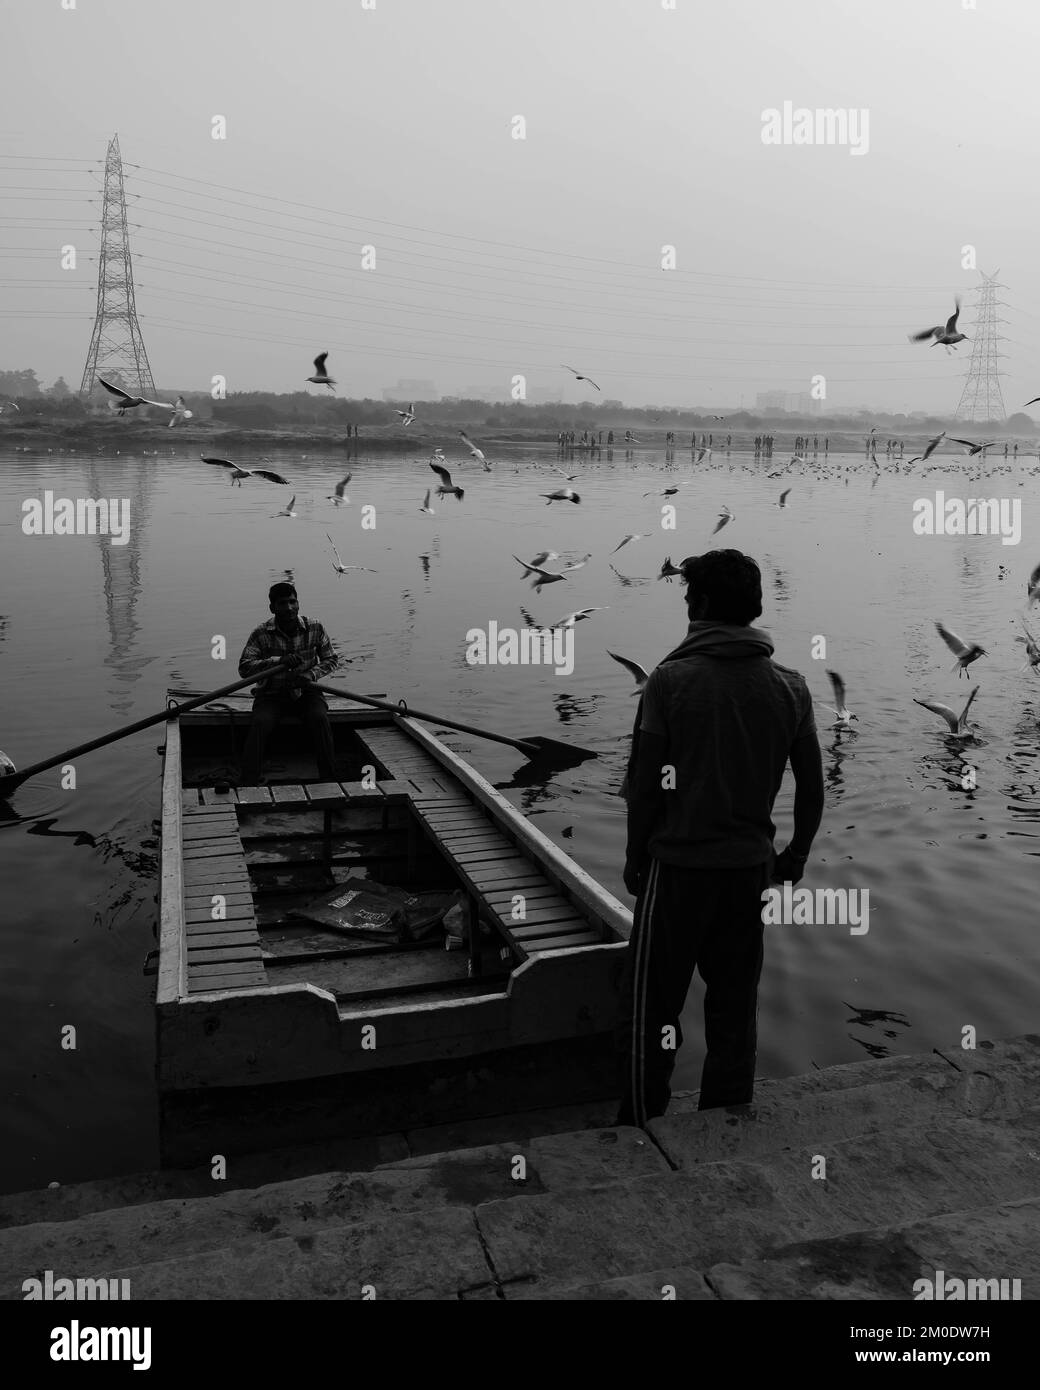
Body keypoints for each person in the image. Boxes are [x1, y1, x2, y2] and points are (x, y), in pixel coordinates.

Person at [615, 549, 824, 1127]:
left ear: (702, 604)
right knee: (734, 1007)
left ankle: (639, 1123)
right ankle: (726, 1124)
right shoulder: (791, 687)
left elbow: (644, 786)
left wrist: (636, 856)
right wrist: (797, 854)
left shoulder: (670, 681)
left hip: (678, 871)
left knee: (653, 1007)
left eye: (688, 598)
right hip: (749, 872)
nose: (685, 608)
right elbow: (811, 787)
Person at [237, 582, 340, 784]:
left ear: (298, 604)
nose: (289, 608)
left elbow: (331, 660)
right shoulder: (261, 633)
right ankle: (248, 782)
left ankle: (330, 781)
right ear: (272, 608)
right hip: (271, 695)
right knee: (260, 723)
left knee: (320, 719)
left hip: (307, 692)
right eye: (283, 603)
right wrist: (277, 662)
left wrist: (311, 675)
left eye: (293, 602)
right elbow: (244, 668)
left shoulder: (315, 627)